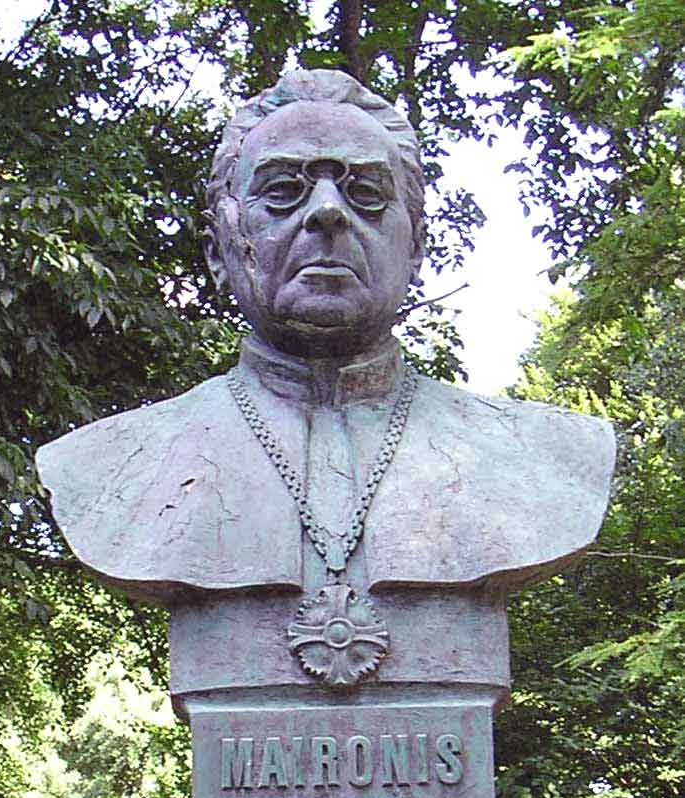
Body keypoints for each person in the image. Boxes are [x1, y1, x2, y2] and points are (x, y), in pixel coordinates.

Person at [37, 69, 614, 694]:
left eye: (366, 192)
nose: (328, 213)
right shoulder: (107, 468)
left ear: (416, 245)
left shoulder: (546, 458)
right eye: (283, 191)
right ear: (218, 249)